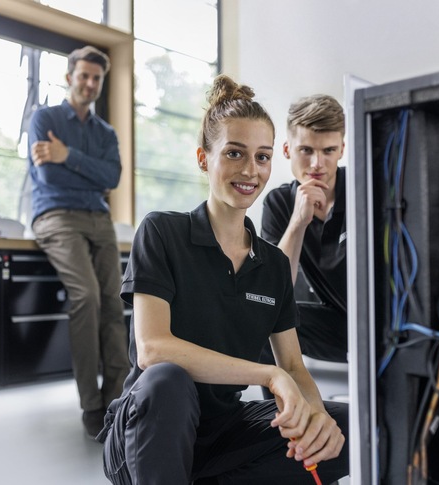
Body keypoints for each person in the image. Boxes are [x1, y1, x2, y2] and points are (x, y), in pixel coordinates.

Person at [97, 75, 349, 484]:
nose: (250, 170)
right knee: (167, 380)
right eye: (234, 153)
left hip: (223, 435)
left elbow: (293, 365)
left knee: (345, 429)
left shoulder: (271, 264)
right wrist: (266, 375)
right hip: (145, 432)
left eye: (263, 157)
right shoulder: (162, 232)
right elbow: (153, 350)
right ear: (203, 158)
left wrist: (317, 417)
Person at [27, 45, 130, 438]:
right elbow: (50, 180)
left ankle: (115, 402)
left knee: (114, 302)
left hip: (99, 220)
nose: (89, 83)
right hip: (55, 215)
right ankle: (90, 403)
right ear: (69, 76)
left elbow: (113, 178)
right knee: (86, 296)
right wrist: (90, 173)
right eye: (83, 75)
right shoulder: (45, 119)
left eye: (96, 78)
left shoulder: (105, 133)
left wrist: (66, 154)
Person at [259, 95, 348, 398]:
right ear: (287, 150)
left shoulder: (366, 189)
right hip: (338, 328)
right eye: (306, 150)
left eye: (328, 151)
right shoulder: (279, 202)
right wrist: (298, 221)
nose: (317, 164)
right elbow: (275, 290)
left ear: (342, 150)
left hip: (385, 325)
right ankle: (278, 425)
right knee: (262, 317)